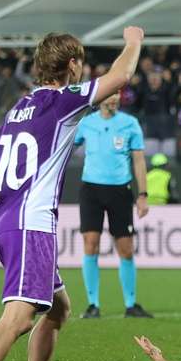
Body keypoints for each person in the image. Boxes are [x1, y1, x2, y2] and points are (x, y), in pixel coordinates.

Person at [0, 26, 144, 361]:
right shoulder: (64, 101)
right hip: (29, 224)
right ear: (72, 64)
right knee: (20, 317)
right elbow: (121, 77)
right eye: (80, 61)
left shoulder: (17, 108)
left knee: (58, 308)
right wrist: (134, 40)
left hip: (3, 216)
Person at [74, 92, 152, 320]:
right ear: (100, 98)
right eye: (110, 94)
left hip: (120, 190)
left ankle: (130, 304)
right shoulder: (86, 124)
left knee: (126, 248)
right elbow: (67, 149)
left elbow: (138, 160)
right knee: (91, 244)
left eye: (117, 94)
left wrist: (143, 194)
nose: (114, 99)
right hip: (91, 190)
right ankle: (92, 305)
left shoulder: (130, 123)